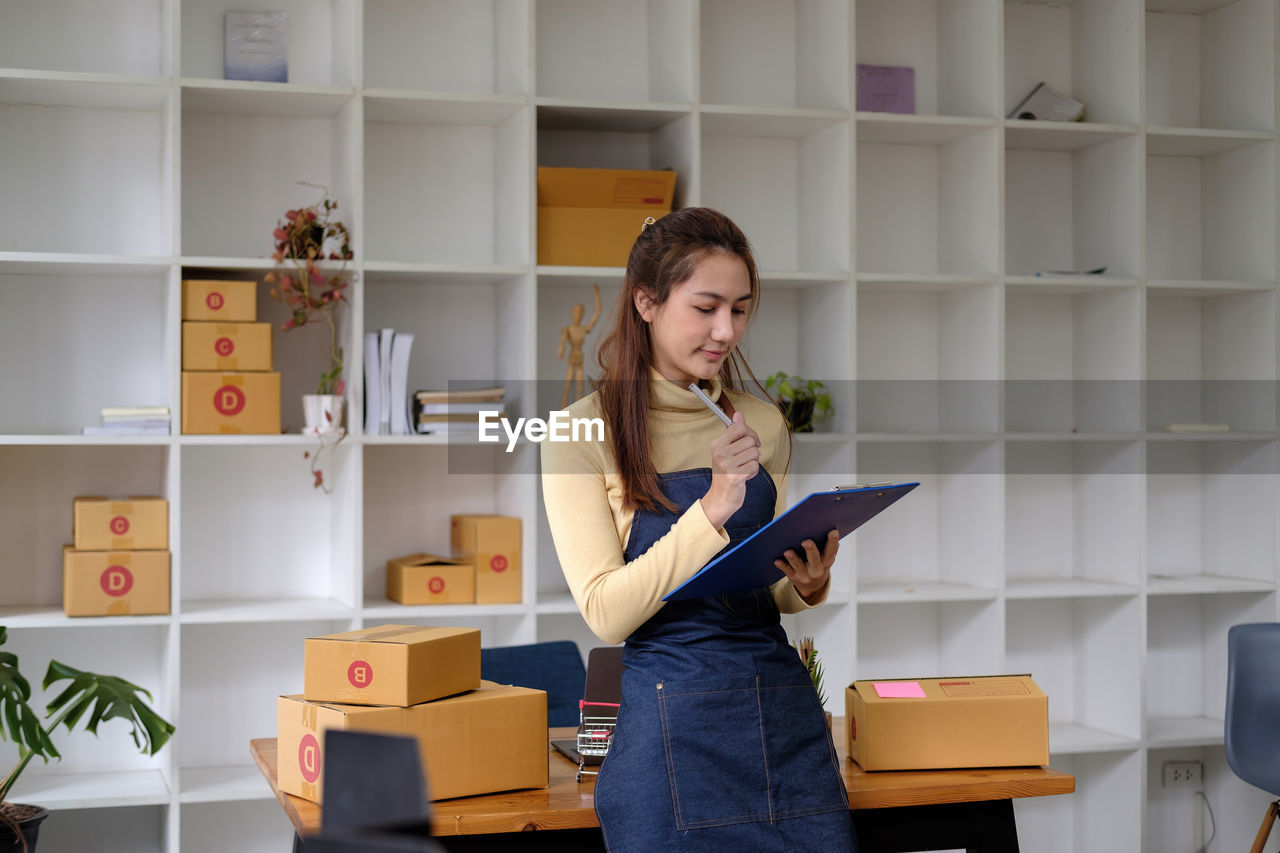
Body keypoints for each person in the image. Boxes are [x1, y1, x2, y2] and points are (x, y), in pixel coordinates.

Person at [541, 207, 854, 852]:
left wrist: (809, 582)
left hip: (777, 714)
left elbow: (764, 594)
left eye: (739, 310)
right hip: (666, 723)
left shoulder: (763, 425)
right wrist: (709, 511)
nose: (725, 331)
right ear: (647, 302)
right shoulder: (578, 431)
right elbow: (606, 612)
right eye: (706, 307)